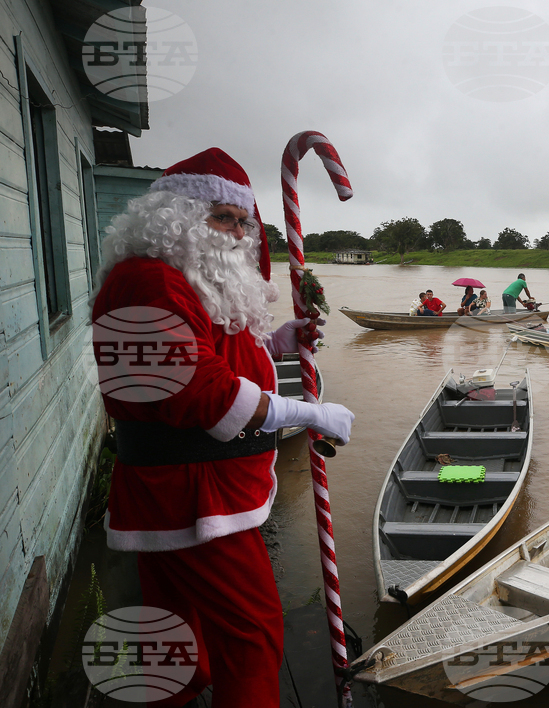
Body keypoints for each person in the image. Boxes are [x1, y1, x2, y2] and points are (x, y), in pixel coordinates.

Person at [89, 148, 355, 708]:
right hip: (191, 496)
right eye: (220, 217)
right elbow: (204, 396)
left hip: (193, 490)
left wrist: (281, 341)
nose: (235, 234)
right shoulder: (148, 282)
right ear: (176, 217)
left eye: (242, 221)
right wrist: (308, 413)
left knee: (174, 632)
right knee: (252, 634)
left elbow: (219, 349)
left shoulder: (183, 280)